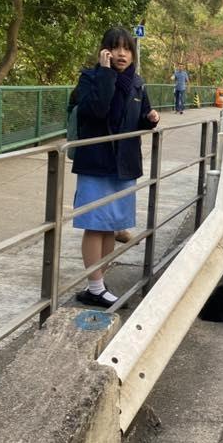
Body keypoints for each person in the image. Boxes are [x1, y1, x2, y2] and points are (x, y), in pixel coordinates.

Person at [71, 27, 160, 307]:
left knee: (110, 226)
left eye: (127, 48)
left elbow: (137, 118)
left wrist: (150, 119)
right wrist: (106, 72)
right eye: (116, 47)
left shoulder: (137, 83)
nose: (122, 53)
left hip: (123, 164)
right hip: (96, 163)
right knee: (95, 225)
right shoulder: (90, 78)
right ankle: (95, 286)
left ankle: (98, 283)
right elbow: (96, 111)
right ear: (105, 51)